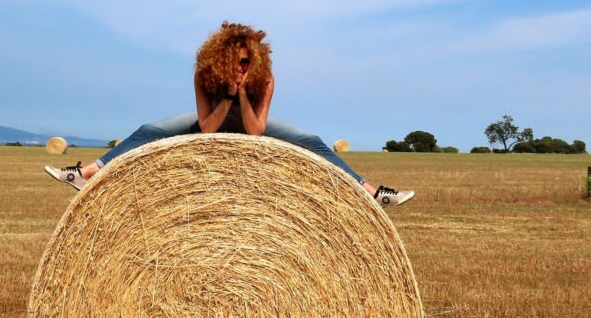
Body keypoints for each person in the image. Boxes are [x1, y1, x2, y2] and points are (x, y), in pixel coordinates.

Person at [45, 22, 414, 207]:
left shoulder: (265, 79)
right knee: (151, 128)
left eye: (249, 60)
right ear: (221, 58)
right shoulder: (203, 77)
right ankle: (87, 173)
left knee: (310, 141)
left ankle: (369, 192)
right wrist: (226, 95)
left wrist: (243, 94)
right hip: (213, 118)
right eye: (239, 61)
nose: (244, 65)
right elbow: (207, 129)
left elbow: (254, 132)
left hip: (250, 119)